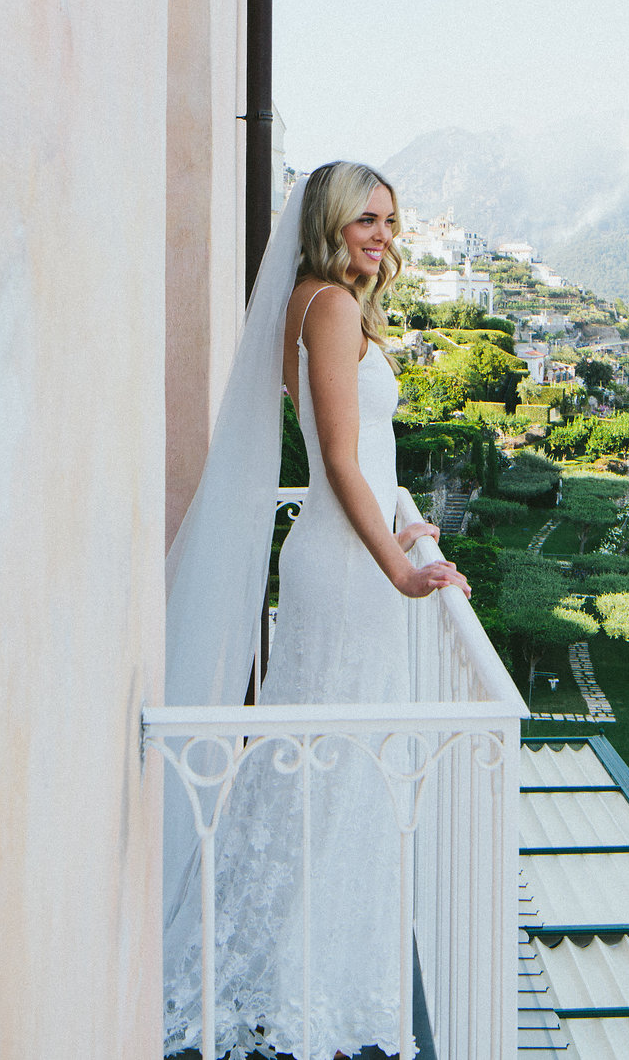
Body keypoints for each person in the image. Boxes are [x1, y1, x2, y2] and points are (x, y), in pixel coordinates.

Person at [161, 163, 468, 1059]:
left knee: (322, 768)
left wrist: (405, 526)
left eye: (391, 222)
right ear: (330, 221)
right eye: (367, 219)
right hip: (347, 571)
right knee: (338, 768)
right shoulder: (329, 307)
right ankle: (297, 974)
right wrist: (401, 569)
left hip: (345, 555)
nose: (383, 236)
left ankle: (296, 962)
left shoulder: (314, 302)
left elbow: (367, 459)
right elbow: (338, 458)